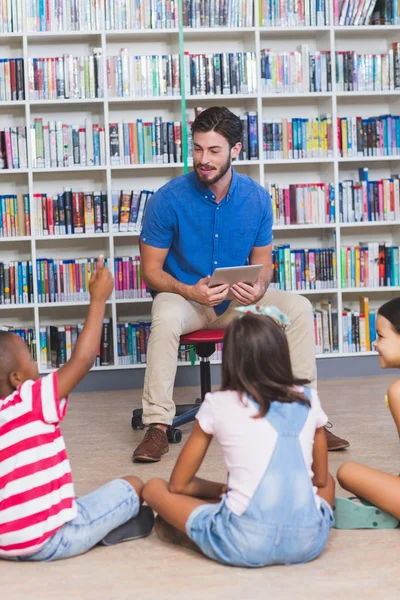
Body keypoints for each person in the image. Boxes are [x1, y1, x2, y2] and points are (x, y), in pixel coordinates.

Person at [132, 105, 349, 462]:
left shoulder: (257, 198)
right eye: (198, 148)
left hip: (236, 302)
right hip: (185, 300)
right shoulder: (166, 200)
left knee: (299, 307)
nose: (203, 159)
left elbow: (263, 263)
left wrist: (260, 287)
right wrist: (189, 290)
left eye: (214, 150)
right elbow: (151, 273)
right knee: (165, 315)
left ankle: (307, 416)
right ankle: (157, 425)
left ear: (235, 150)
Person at [142, 306, 335, 567]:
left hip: (244, 543)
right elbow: (320, 479)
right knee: (330, 482)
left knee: (154, 487)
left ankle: (212, 525)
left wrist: (220, 489)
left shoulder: (217, 402)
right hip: (308, 543)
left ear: (231, 357)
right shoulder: (308, 399)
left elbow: (178, 485)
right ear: (281, 353)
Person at [0, 256, 154, 561]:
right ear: (16, 379)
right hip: (51, 539)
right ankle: (96, 532)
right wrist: (97, 300)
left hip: (5, 543)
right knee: (135, 486)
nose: (36, 364)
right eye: (30, 359)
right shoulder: (30, 398)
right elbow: (81, 362)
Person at [336, 298, 400, 528]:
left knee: (347, 472)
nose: (374, 343)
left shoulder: (398, 391)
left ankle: (387, 509)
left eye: (381, 336)